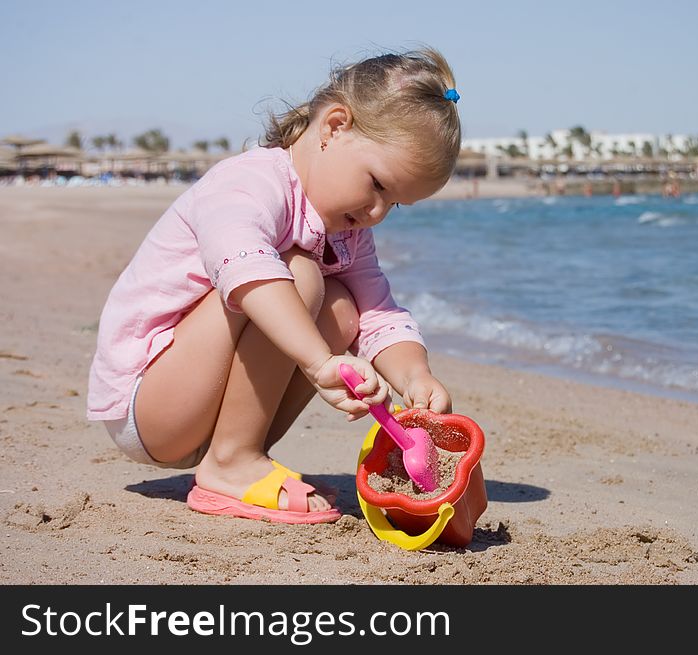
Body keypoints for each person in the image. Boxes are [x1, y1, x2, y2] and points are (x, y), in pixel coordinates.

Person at [87, 48, 461, 524]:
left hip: (198, 413)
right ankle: (233, 461)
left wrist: (413, 376)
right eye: (378, 186)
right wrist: (320, 361)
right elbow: (248, 272)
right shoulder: (248, 184)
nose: (377, 213)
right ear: (334, 127)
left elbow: (377, 312)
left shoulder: (349, 233)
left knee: (344, 307)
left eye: (397, 205)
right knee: (300, 275)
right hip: (149, 402)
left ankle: (234, 453)